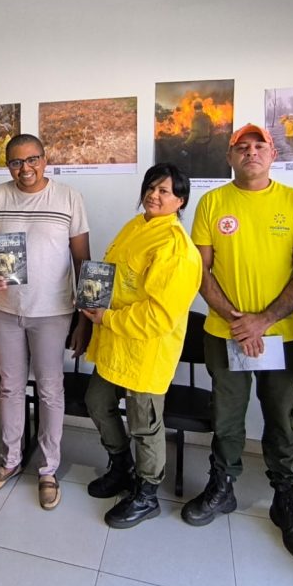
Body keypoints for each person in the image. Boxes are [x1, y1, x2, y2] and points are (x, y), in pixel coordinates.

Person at [181, 124, 293, 562]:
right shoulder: (212, 202)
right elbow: (201, 270)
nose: (251, 153)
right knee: (227, 417)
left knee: (280, 419)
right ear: (230, 156)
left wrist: (264, 320)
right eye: (243, 147)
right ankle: (222, 488)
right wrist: (238, 322)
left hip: (283, 336)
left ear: (273, 154)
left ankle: (286, 499)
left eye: (260, 147)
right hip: (224, 336)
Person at [80, 163, 202, 529]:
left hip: (146, 350)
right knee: (96, 402)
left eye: (165, 191)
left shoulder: (177, 248)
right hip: (113, 344)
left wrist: (107, 318)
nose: (155, 195)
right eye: (152, 186)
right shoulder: (136, 226)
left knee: (144, 425)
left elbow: (158, 315)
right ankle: (121, 466)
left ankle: (147, 495)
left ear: (180, 200)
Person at [0, 134, 90, 509]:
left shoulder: (68, 197)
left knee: (50, 390)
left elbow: (82, 262)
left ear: (46, 158)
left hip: (53, 312)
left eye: (32, 159)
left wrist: (85, 318)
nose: (25, 168)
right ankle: (9, 461)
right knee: (9, 388)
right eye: (16, 162)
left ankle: (48, 469)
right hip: (6, 308)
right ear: (7, 164)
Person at [184, 100, 214, 177]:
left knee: (194, 160)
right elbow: (212, 128)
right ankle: (205, 175)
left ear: (194, 108)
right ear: (202, 107)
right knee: (204, 160)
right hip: (206, 141)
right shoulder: (207, 116)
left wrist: (186, 143)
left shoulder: (195, 118)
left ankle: (193, 176)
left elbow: (194, 133)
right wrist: (210, 138)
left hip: (197, 143)